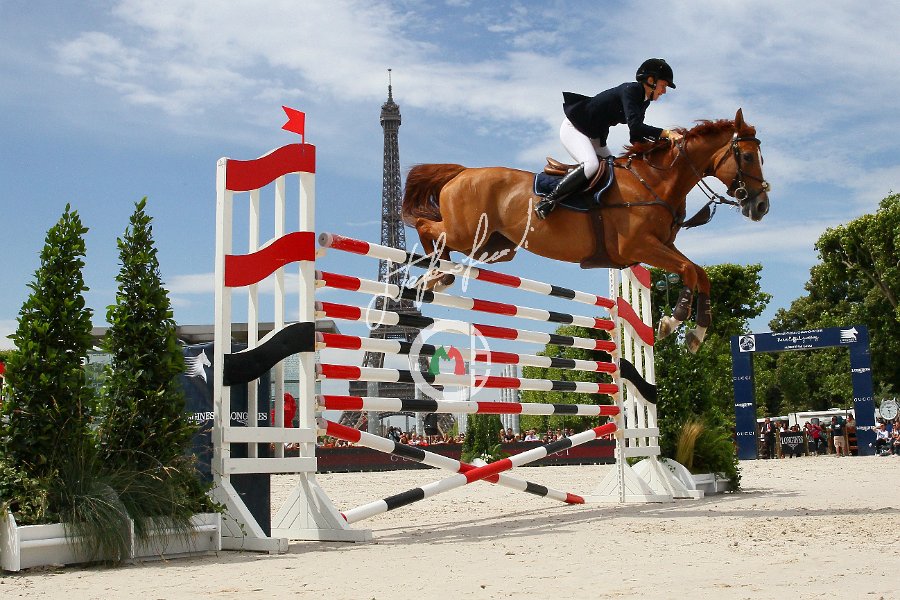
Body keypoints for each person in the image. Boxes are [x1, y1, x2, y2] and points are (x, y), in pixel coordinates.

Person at [535, 58, 684, 219]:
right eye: (663, 85)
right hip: (575, 128)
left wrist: (658, 148)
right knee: (591, 165)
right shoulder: (631, 91)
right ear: (651, 80)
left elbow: (635, 136)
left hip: (595, 135)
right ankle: (548, 201)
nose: (664, 91)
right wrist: (667, 133)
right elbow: (636, 127)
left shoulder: (643, 101)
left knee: (615, 170)